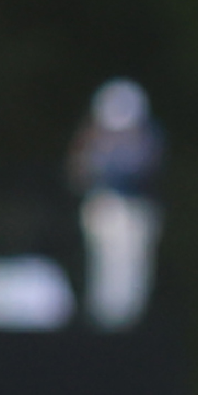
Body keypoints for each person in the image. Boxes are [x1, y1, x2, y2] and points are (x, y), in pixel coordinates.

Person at [67, 78, 163, 330]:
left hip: (134, 212)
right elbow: (78, 175)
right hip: (104, 209)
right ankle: (105, 326)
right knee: (105, 277)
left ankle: (128, 327)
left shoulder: (146, 140)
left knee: (134, 279)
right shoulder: (91, 139)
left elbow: (145, 170)